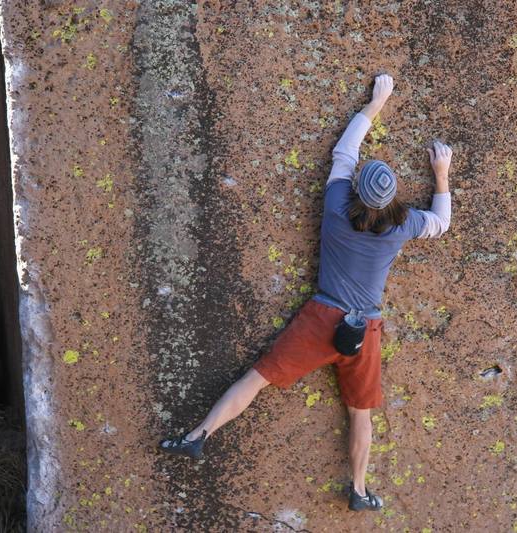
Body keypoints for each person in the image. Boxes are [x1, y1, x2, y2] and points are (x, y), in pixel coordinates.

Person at [158, 73, 453, 512]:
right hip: (364, 329)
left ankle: (198, 435)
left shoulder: (337, 207)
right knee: (361, 413)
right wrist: (441, 175)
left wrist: (376, 104)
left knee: (257, 378)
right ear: (392, 201)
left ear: (357, 190)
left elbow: (345, 152)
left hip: (321, 319)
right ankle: (358, 490)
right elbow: (441, 222)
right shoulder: (403, 224)